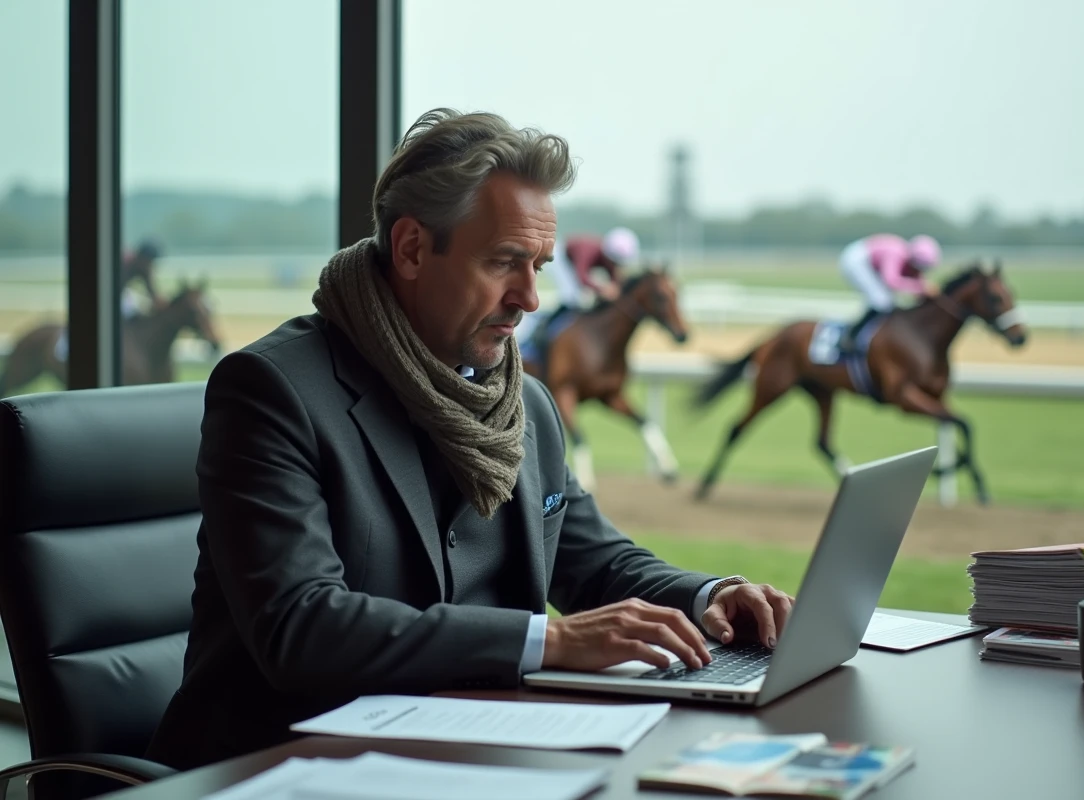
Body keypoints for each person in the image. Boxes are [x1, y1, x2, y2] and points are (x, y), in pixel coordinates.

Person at [145, 108, 792, 770]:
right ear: (412, 249)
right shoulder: (272, 390)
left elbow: (592, 561)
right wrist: (550, 640)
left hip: (472, 758)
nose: (531, 298)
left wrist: (709, 596)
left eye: (539, 264)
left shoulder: (525, 403)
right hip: (279, 767)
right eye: (506, 261)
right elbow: (303, 627)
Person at [515, 226, 640, 358]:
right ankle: (541, 331)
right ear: (608, 254)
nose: (615, 266)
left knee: (582, 298)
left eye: (618, 264)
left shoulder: (609, 257)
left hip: (573, 263)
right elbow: (582, 277)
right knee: (572, 298)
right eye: (614, 262)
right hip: (560, 258)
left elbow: (615, 283)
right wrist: (603, 289)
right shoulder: (588, 250)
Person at [53, 238, 164, 363]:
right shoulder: (122, 263)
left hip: (118, 294)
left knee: (133, 312)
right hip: (94, 289)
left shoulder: (142, 267)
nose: (150, 266)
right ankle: (65, 343)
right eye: (149, 262)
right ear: (141, 258)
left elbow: (152, 293)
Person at [837, 233, 941, 354]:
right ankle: (849, 337)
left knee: (887, 302)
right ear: (912, 260)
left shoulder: (911, 258)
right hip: (855, 261)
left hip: (870, 263)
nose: (920, 272)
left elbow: (917, 281)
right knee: (881, 301)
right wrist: (922, 288)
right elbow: (891, 281)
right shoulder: (895, 253)